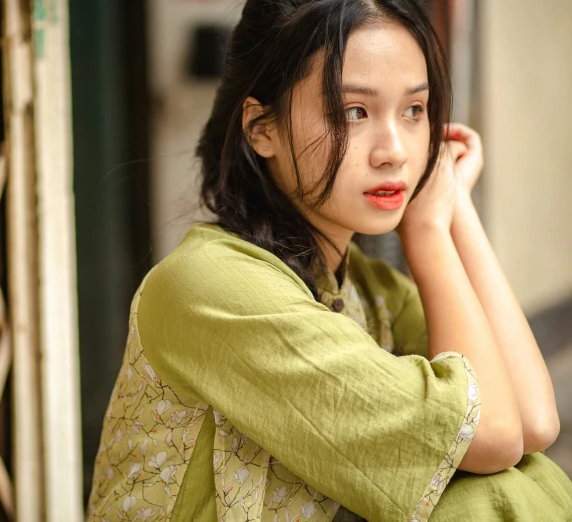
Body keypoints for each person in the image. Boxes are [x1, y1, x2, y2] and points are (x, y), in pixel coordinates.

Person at [85, 0, 572, 520]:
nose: (395, 151)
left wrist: (453, 210)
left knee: (518, 477)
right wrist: (428, 233)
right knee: (480, 497)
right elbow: (493, 436)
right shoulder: (211, 286)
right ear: (261, 128)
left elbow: (532, 422)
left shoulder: (368, 287)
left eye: (414, 111)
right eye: (353, 112)